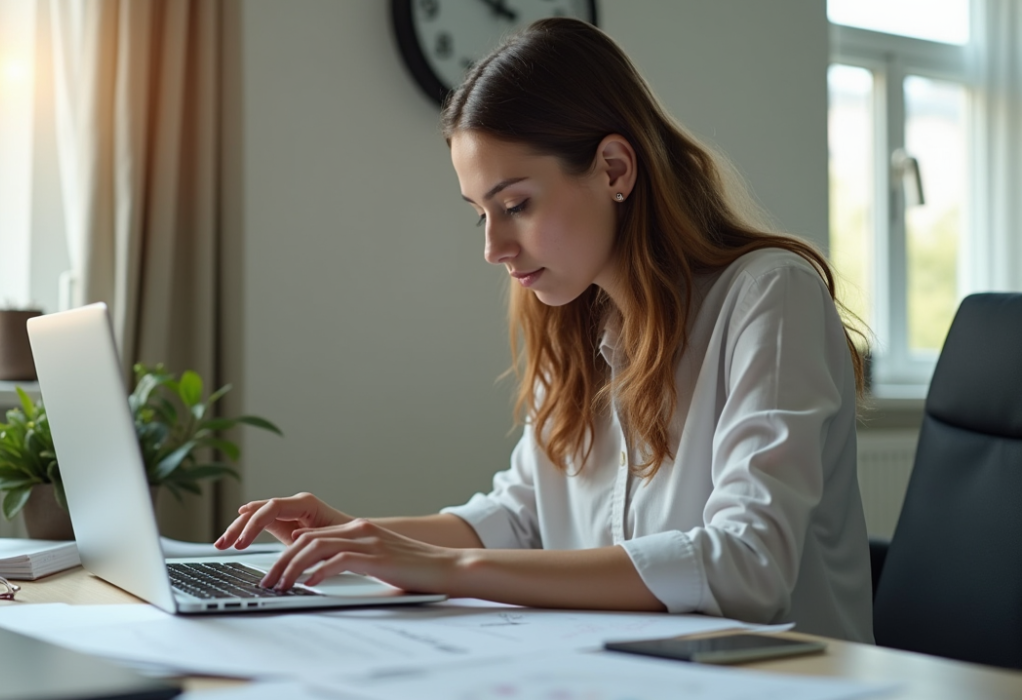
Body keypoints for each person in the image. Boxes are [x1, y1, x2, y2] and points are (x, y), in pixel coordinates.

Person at [215, 18, 874, 643]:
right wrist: (354, 538)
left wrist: (445, 570)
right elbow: (523, 518)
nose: (494, 247)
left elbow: (746, 567)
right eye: (481, 215)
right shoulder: (574, 320)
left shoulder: (770, 295)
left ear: (615, 169)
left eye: (516, 205)